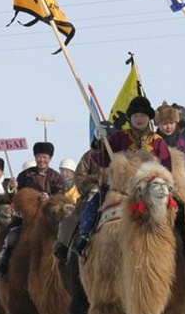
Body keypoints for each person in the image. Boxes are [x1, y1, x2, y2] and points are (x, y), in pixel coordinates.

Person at [69, 95, 172, 258]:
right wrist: (99, 143)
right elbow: (101, 159)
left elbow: (167, 167)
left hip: (150, 187)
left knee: (176, 208)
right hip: (120, 186)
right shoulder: (119, 137)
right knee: (94, 202)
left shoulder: (158, 141)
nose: (139, 119)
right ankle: (84, 235)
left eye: (143, 116)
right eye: (136, 116)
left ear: (148, 119)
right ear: (130, 118)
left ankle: (182, 242)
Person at [0, 141, 64, 278]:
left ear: (50, 159)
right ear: (35, 157)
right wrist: (11, 187)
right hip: (25, 217)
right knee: (11, 236)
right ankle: (3, 263)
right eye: (39, 157)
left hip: (47, 217)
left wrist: (50, 198)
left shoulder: (56, 177)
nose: (42, 160)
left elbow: (61, 195)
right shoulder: (25, 175)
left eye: (45, 157)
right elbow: (13, 197)